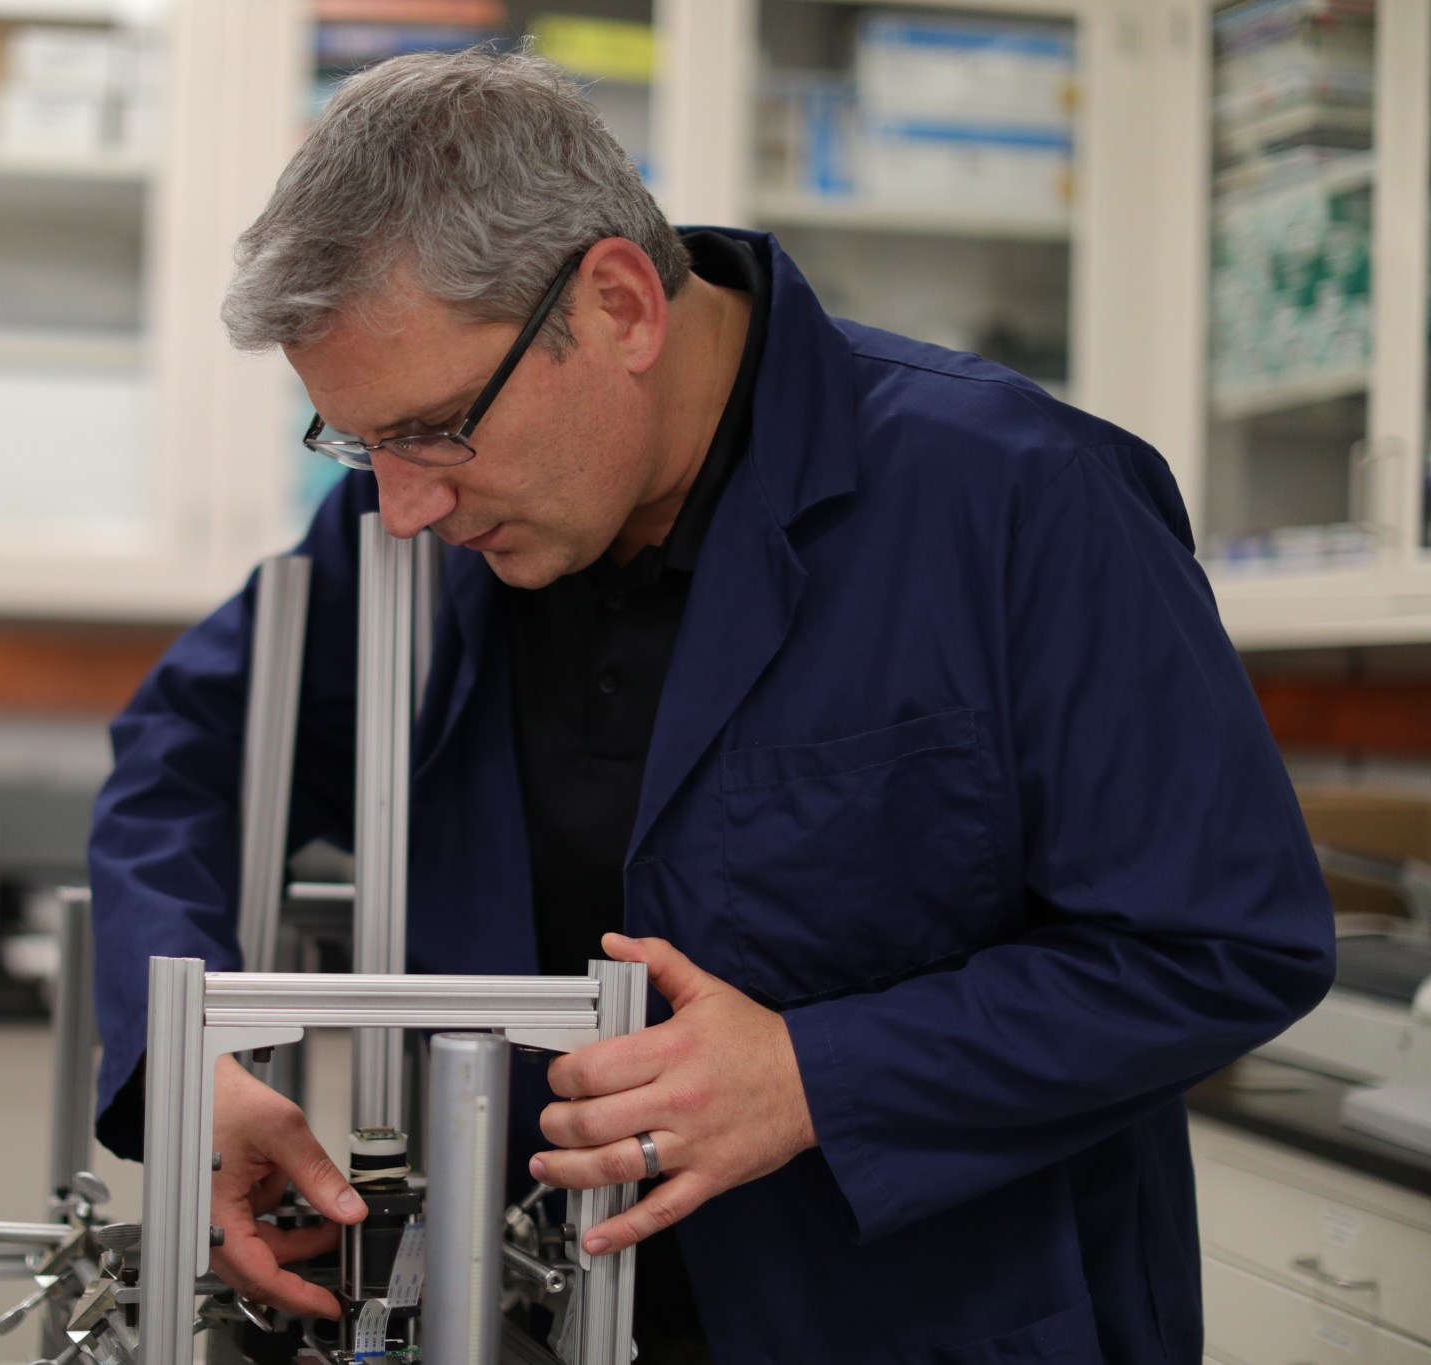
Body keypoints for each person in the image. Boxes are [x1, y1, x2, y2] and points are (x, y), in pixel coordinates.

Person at [87, 46, 1334, 1365]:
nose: (398, 506)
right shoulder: (417, 529)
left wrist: (819, 1075)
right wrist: (190, 1069)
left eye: (436, 427)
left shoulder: (1025, 501)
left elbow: (1223, 942)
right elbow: (187, 760)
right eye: (357, 444)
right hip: (537, 1315)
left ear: (621, 306)